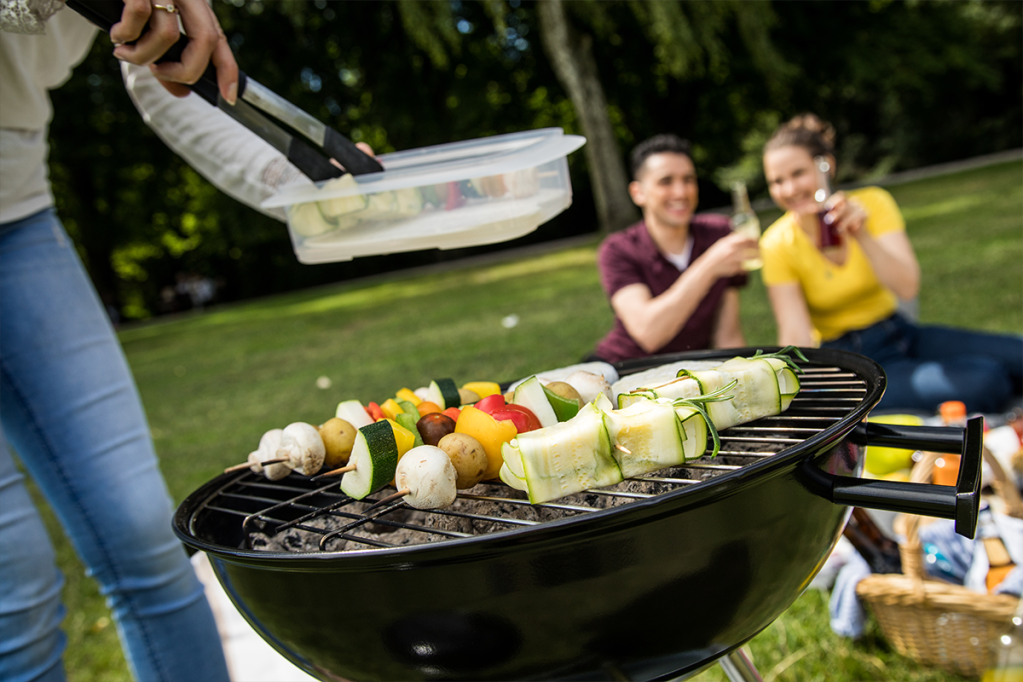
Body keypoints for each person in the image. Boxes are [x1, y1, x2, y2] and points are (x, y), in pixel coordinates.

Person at [0, 1, 259, 680]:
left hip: (17, 215)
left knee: (147, 539)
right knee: (12, 585)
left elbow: (163, 71)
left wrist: (320, 182)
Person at [759, 113, 1022, 413]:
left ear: (825, 167)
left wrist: (863, 235)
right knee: (986, 381)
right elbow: (795, 334)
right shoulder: (777, 242)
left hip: (901, 333)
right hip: (852, 362)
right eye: (777, 181)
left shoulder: (873, 203)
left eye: (797, 173)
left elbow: (906, 287)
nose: (789, 189)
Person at [591, 134, 758, 363]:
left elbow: (727, 335)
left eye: (688, 179)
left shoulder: (719, 234)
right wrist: (709, 266)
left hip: (687, 373)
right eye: (666, 181)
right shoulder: (618, 249)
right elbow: (648, 333)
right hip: (622, 366)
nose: (681, 192)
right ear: (638, 193)